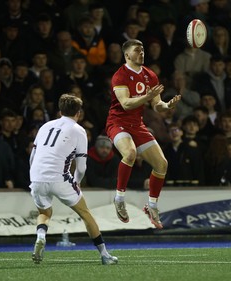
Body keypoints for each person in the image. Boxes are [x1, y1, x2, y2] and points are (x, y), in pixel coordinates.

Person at [29, 94, 117, 265]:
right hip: (59, 178)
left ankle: (41, 236)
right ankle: (105, 255)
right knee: (85, 213)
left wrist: (34, 176)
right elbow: (81, 166)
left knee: (44, 213)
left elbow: (33, 156)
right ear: (79, 113)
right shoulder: (78, 130)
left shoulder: (45, 126)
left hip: (37, 176)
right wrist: (76, 182)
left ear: (60, 110)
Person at [106, 39, 181, 229]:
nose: (141, 53)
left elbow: (157, 105)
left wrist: (167, 106)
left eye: (142, 50)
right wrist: (147, 97)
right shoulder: (120, 75)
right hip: (117, 123)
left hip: (137, 124)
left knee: (161, 164)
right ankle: (119, 198)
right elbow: (125, 103)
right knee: (130, 153)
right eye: (137, 50)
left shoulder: (150, 75)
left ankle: (152, 206)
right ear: (127, 55)